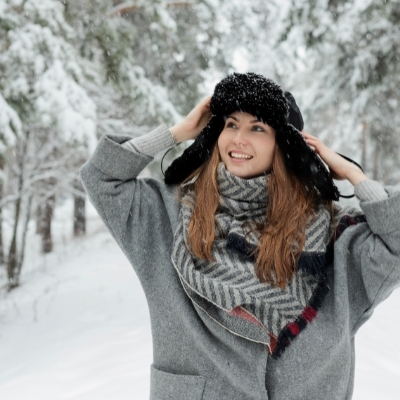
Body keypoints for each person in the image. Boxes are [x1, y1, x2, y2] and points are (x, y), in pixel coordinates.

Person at [80, 72, 400, 400]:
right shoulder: (169, 216)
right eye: (231, 124)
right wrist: (178, 132)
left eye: (257, 128)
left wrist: (353, 174)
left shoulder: (336, 241)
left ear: (285, 144)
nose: (238, 139)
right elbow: (102, 178)